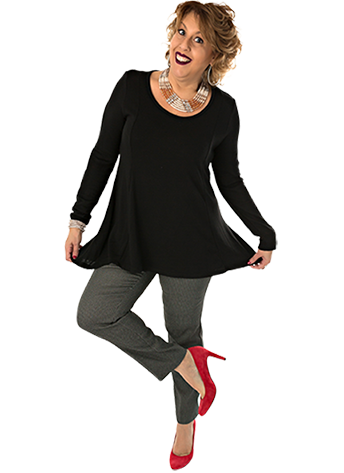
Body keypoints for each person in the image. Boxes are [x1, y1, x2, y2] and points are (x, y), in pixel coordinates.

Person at [64, 1, 277, 470]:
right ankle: (184, 363)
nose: (184, 44)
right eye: (181, 32)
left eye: (198, 40)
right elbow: (102, 157)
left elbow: (230, 180)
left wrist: (266, 234)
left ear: (213, 56)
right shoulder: (131, 88)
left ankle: (185, 426)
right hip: (132, 233)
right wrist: (78, 220)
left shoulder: (222, 111)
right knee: (95, 313)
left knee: (185, 332)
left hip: (190, 239)